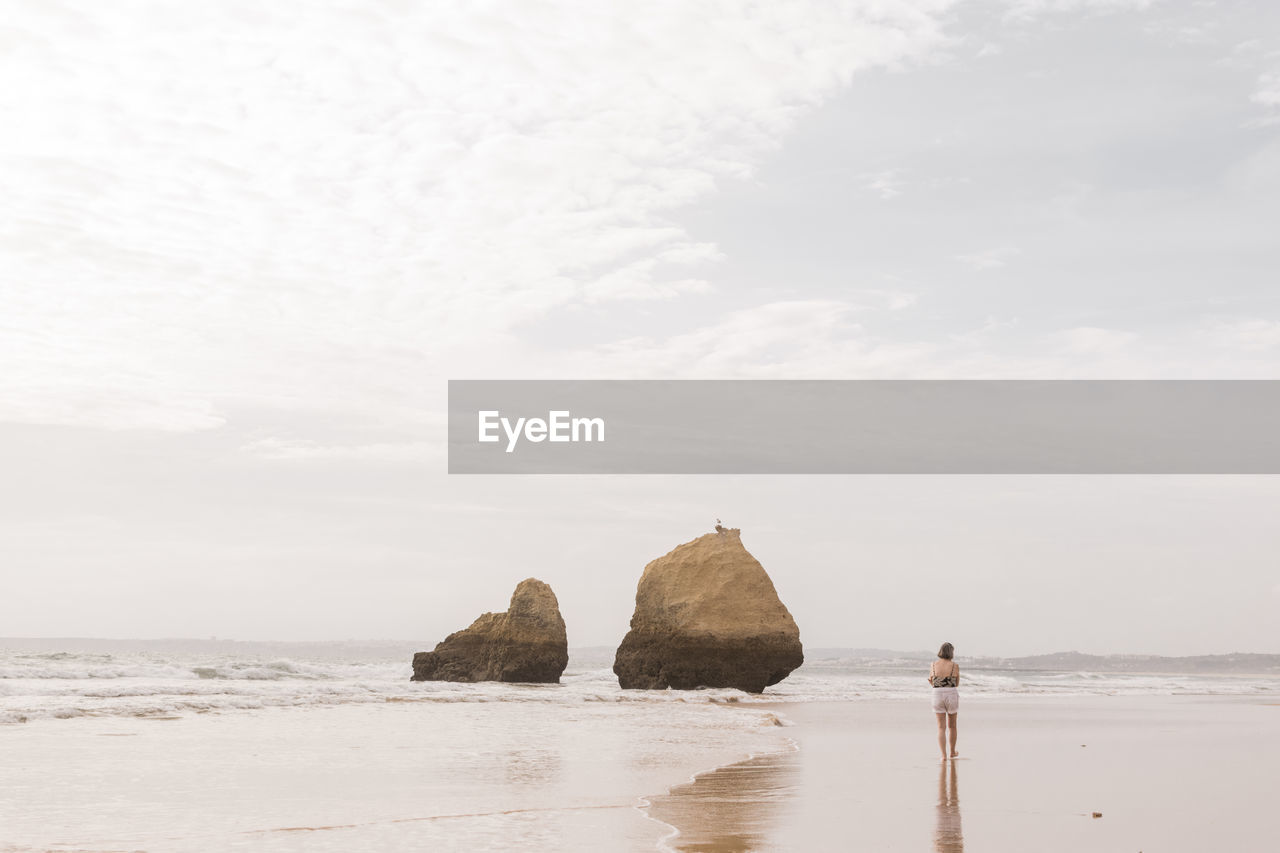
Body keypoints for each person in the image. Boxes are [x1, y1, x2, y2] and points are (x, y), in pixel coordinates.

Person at [928, 642, 960, 762]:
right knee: (952, 726)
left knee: (941, 727)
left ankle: (943, 755)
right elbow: (956, 683)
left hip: (937, 694)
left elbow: (932, 682)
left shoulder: (932, 665)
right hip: (951, 694)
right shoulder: (954, 666)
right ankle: (952, 752)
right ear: (951, 652)